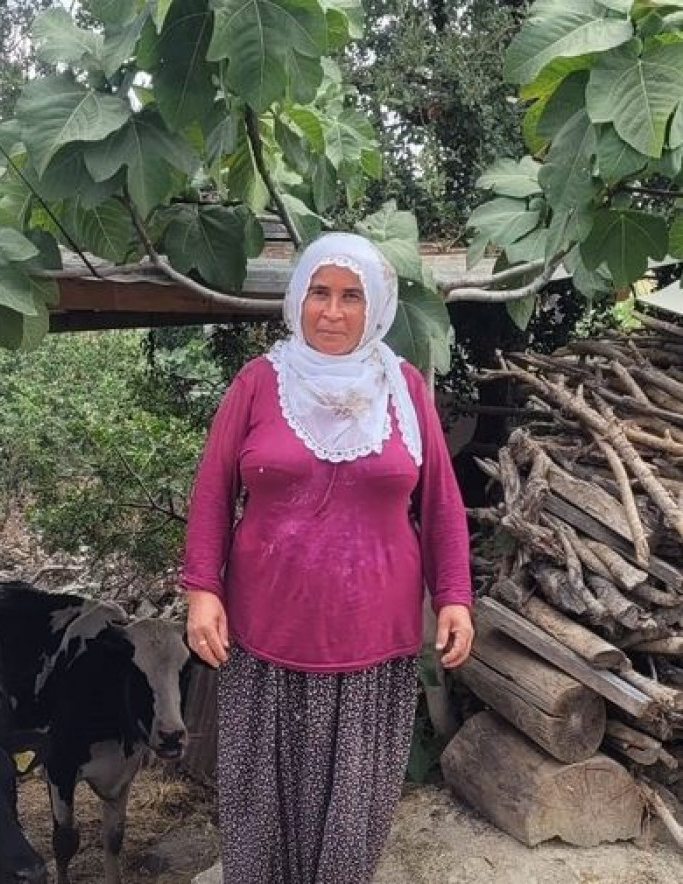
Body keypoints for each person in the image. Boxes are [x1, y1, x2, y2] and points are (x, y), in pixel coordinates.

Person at [181, 231, 474, 884]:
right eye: (320, 293)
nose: (333, 312)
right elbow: (211, 490)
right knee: (263, 810)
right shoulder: (259, 384)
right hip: (266, 636)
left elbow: (442, 502)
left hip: (374, 641)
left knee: (352, 816)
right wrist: (203, 589)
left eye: (351, 296)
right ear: (297, 297)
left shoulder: (403, 389)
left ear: (376, 307)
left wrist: (453, 595)